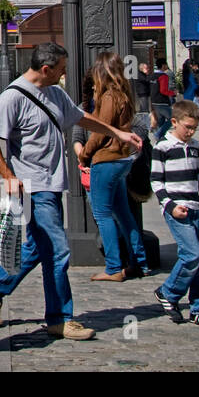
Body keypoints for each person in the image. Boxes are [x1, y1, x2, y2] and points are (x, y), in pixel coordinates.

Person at [0, 42, 142, 341]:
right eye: (61, 69)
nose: (65, 74)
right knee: (57, 249)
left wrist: (117, 132)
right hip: (32, 186)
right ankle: (59, 318)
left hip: (53, 185)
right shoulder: (13, 97)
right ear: (46, 69)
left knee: (37, 247)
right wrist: (7, 175)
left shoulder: (55, 93)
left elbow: (80, 117)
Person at [78, 51, 149, 282]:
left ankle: (113, 267)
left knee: (103, 214)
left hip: (106, 159)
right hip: (122, 159)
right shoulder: (125, 94)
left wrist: (85, 155)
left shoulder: (109, 97)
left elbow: (101, 130)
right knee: (123, 214)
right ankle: (139, 262)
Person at [151, 99, 199, 328]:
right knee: (192, 255)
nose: (190, 132)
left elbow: (196, 175)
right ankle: (168, 292)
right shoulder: (163, 148)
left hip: (196, 207)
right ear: (174, 122)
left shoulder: (196, 146)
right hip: (176, 208)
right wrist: (169, 206)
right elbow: (156, 181)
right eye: (187, 127)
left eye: (194, 128)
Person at [150, 59, 176, 140]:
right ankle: (158, 134)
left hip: (153, 101)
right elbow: (163, 90)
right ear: (163, 65)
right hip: (162, 101)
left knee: (160, 121)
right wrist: (173, 93)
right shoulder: (163, 76)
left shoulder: (152, 76)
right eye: (166, 64)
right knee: (172, 118)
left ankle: (161, 138)